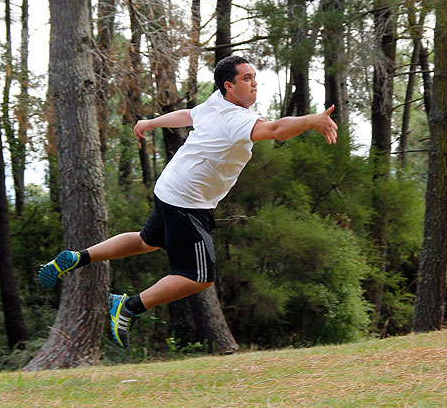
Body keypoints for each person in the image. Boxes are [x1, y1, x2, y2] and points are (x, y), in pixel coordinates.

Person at [37, 55, 338, 349]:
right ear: (228, 86)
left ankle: (78, 257)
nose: (254, 84)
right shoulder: (235, 118)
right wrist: (311, 120)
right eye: (247, 79)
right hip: (187, 201)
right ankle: (127, 306)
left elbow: (187, 115)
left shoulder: (215, 104)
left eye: (255, 78)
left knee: (146, 241)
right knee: (199, 276)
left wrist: (151, 122)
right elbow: (274, 130)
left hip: (171, 187)